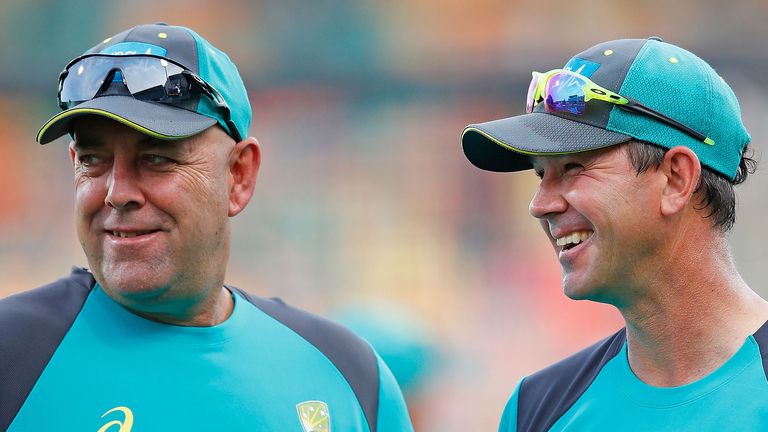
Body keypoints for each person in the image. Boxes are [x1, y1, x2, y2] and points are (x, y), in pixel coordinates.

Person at [0, 23, 413, 432]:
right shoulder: (11, 357)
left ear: (239, 176)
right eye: (93, 160)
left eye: (156, 158)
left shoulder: (354, 378)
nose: (117, 192)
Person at [461, 37, 766, 431]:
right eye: (540, 174)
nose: (540, 205)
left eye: (572, 168)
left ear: (676, 179)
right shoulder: (538, 409)